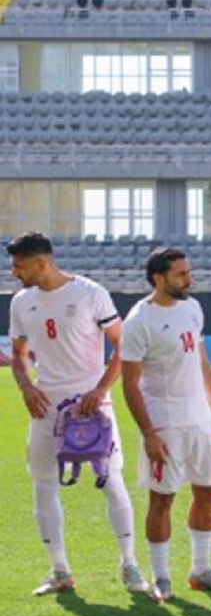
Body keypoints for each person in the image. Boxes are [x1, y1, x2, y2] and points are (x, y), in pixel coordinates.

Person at [7, 232, 146, 596]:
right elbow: (18, 356)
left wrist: (101, 390)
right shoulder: (21, 302)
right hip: (45, 407)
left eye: (19, 265)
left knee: (112, 481)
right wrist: (26, 386)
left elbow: (123, 346)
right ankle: (59, 571)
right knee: (43, 485)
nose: (13, 272)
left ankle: (130, 564)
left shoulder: (90, 293)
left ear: (41, 263)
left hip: (93, 407)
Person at [120, 247, 211, 602]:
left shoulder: (192, 308)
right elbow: (129, 384)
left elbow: (202, 361)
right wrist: (149, 433)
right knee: (162, 499)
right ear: (159, 278)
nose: (189, 279)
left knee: (207, 491)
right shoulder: (138, 322)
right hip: (165, 423)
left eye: (188, 272)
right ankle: (161, 576)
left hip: (200, 419)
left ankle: (201, 569)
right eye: (181, 274)